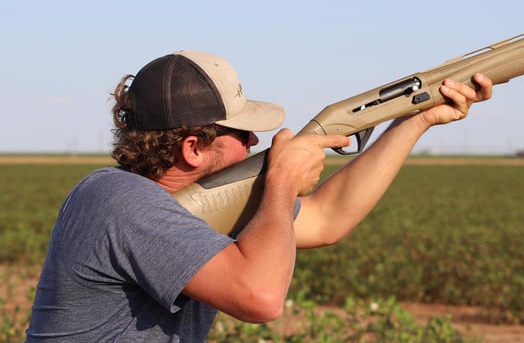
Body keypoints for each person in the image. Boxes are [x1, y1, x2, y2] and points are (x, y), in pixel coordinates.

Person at [26, 50, 493, 342]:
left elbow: (329, 218)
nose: (255, 144)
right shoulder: (116, 199)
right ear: (193, 148)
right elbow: (261, 298)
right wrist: (281, 183)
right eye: (243, 133)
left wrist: (416, 119)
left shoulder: (191, 211)